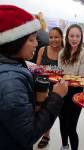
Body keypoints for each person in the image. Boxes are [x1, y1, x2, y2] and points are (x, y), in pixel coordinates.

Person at [0, 5, 68, 150]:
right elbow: (29, 135)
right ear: (14, 42)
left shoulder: (13, 67)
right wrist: (56, 96)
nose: (36, 44)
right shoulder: (11, 82)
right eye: (31, 40)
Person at [58, 24, 84, 150]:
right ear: (67, 36)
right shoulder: (62, 52)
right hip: (62, 91)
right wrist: (65, 78)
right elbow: (60, 73)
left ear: (81, 37)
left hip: (76, 93)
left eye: (77, 36)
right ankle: (64, 145)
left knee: (71, 126)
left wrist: (67, 78)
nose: (74, 39)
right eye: (72, 35)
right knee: (62, 121)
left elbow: (81, 77)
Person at [36, 27, 64, 148]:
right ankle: (42, 133)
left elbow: (66, 71)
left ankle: (47, 135)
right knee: (40, 110)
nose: (53, 40)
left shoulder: (64, 52)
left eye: (56, 37)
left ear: (61, 38)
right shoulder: (42, 49)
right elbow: (36, 68)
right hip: (41, 86)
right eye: (51, 37)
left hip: (56, 86)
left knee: (51, 111)